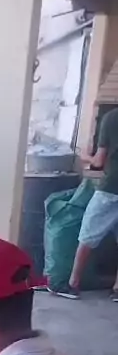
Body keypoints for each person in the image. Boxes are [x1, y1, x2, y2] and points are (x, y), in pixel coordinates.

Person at [59, 107, 118, 299]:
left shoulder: (111, 118)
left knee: (87, 235)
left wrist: (84, 156)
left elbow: (98, 161)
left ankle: (72, 285)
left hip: (111, 188)